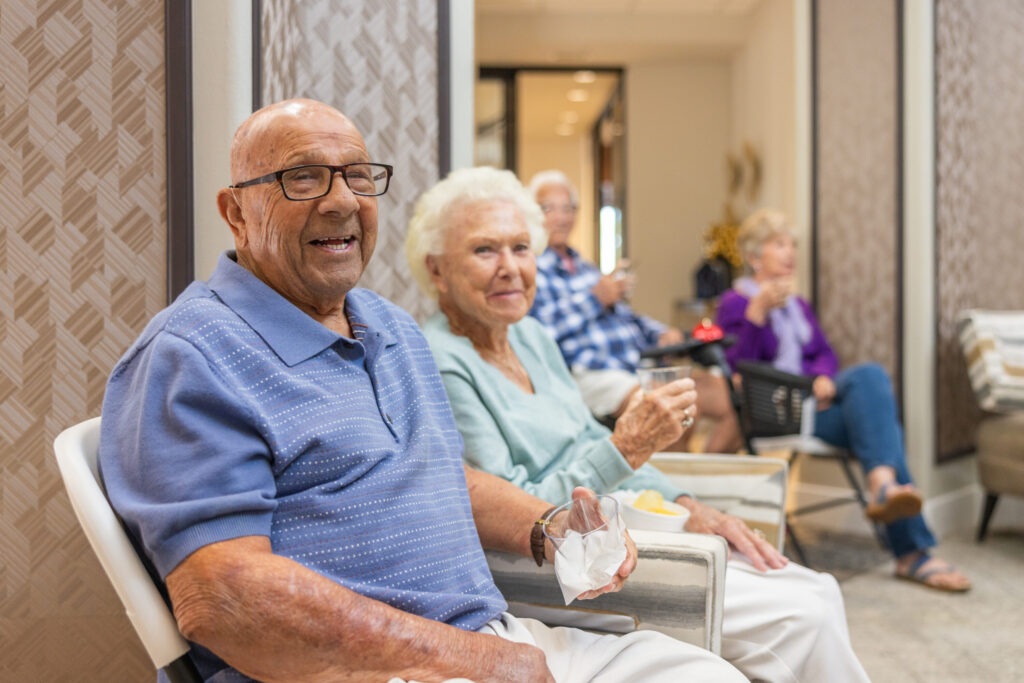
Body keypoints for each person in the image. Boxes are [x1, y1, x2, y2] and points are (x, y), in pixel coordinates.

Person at [97, 99, 746, 683]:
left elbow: (440, 474)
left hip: (479, 640)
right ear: (236, 211)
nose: (341, 199)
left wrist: (546, 526)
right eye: (303, 177)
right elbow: (226, 597)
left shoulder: (387, 324)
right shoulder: (192, 353)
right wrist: (474, 658)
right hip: (374, 669)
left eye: (357, 175)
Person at [406, 166, 871, 683]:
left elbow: (588, 439)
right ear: (438, 271)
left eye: (521, 247)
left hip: (626, 522)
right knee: (803, 617)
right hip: (580, 558)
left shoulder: (531, 337)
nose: (511, 268)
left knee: (818, 590)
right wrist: (624, 449)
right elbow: (520, 509)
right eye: (484, 250)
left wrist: (688, 504)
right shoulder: (441, 362)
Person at [715, 207, 971, 593]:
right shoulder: (735, 304)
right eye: (779, 244)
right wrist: (757, 313)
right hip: (775, 413)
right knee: (875, 404)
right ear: (755, 256)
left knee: (870, 397)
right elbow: (739, 371)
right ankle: (909, 547)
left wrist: (821, 378)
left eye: (792, 245)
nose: (790, 253)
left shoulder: (798, 306)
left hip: (813, 409)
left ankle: (885, 490)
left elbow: (824, 353)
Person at [527, 170, 742, 453]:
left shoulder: (585, 267)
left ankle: (705, 479)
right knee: (672, 411)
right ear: (532, 213)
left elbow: (627, 317)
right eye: (549, 208)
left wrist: (662, 333)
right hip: (591, 373)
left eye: (568, 208)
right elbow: (539, 334)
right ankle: (678, 490)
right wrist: (595, 299)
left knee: (733, 396)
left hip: (637, 364)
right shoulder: (531, 267)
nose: (561, 217)